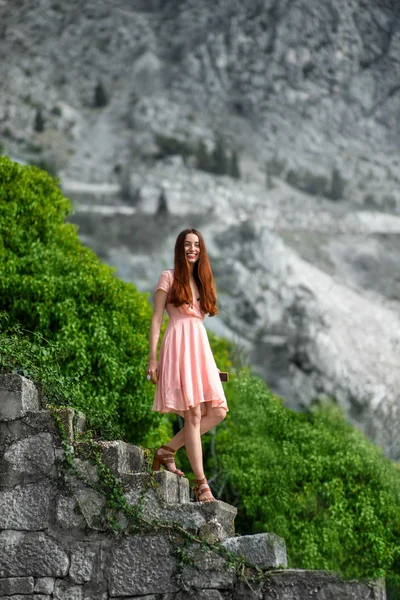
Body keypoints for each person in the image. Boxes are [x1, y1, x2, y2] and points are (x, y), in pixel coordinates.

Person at [147, 228, 228, 502]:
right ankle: (201, 484)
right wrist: (152, 358)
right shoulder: (168, 277)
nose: (192, 249)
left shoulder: (202, 282)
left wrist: (212, 366)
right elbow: (157, 318)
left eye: (196, 245)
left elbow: (199, 330)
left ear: (201, 250)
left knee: (217, 412)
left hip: (200, 351)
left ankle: (167, 450)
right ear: (179, 248)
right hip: (178, 346)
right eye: (187, 244)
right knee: (193, 415)